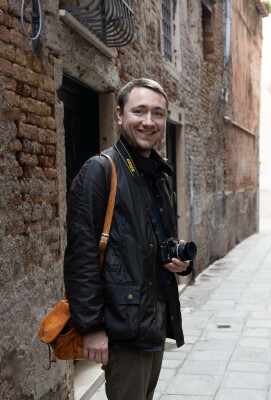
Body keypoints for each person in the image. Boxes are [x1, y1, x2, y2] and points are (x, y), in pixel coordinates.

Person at [64, 78, 193, 400]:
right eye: (140, 111)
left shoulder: (156, 174)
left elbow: (154, 241)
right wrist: (92, 329)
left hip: (155, 313)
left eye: (158, 114)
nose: (149, 122)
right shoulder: (100, 170)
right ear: (120, 115)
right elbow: (80, 257)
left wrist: (180, 263)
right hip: (122, 323)